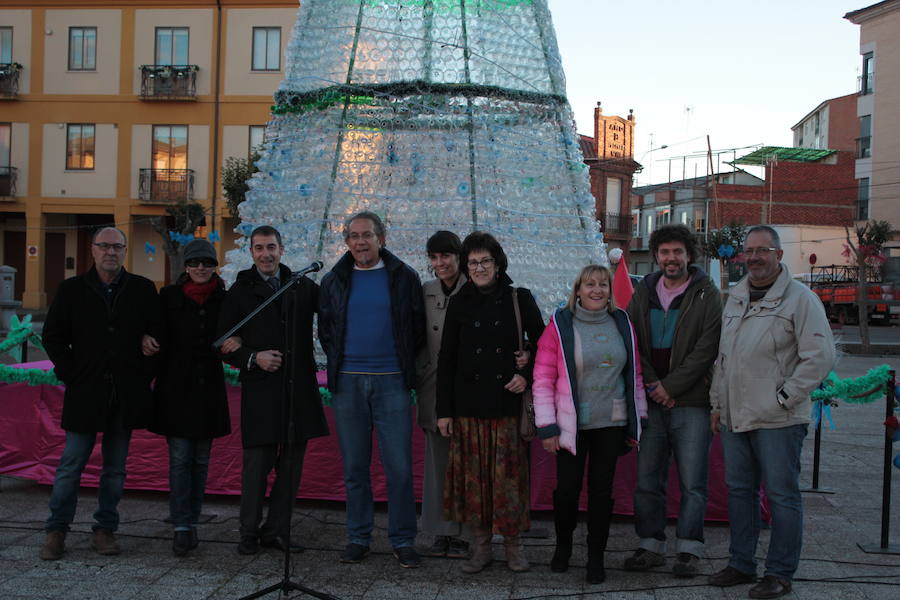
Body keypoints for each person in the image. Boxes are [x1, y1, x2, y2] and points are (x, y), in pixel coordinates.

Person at [708, 225, 834, 599]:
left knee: (781, 496)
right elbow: (724, 358)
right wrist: (717, 403)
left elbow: (820, 357)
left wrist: (785, 396)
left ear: (778, 255)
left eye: (763, 250)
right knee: (740, 493)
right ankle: (741, 563)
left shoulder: (801, 299)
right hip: (735, 416)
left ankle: (779, 573)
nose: (755, 257)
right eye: (750, 251)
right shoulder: (735, 297)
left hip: (778, 419)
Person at [39, 227, 159, 560]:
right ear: (92, 250)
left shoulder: (143, 289)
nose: (110, 252)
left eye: (117, 247)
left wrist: (143, 367)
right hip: (85, 392)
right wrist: (71, 374)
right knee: (71, 464)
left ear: (124, 251)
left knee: (115, 469)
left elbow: (157, 334)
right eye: (104, 246)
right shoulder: (71, 289)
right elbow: (53, 337)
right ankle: (56, 530)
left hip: (124, 394)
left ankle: (105, 529)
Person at [318, 211, 426, 568]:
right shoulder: (334, 280)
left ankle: (402, 539)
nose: (361, 242)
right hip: (348, 383)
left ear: (382, 238)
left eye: (367, 235)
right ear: (346, 241)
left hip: (392, 381)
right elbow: (327, 330)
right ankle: (358, 536)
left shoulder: (403, 278)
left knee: (399, 468)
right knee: (354, 468)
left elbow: (417, 329)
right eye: (354, 236)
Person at [436, 231, 544, 574]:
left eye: (485, 261)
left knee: (508, 480)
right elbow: (446, 360)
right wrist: (444, 411)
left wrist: (526, 370)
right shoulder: (459, 303)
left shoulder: (519, 298)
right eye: (473, 262)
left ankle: (514, 546)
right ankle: (480, 547)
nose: (479, 268)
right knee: (474, 480)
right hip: (468, 406)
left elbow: (546, 346)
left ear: (498, 264)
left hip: (506, 405)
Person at [218, 225, 329, 556]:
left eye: (271, 247)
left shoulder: (301, 286)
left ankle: (277, 530)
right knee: (256, 468)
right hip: (262, 393)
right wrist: (252, 357)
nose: (266, 254)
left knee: (291, 468)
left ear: (281, 249)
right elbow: (224, 340)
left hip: (298, 391)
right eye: (259, 248)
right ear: (251, 252)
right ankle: (248, 533)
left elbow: (332, 309)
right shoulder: (239, 292)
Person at [533, 265, 646, 584]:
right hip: (572, 426)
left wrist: (637, 423)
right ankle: (564, 547)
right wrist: (547, 426)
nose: (597, 290)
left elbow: (634, 374)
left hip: (611, 424)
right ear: (578, 290)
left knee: (601, 493)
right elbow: (542, 378)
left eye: (603, 284)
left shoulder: (622, 322)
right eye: (590, 284)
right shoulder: (561, 324)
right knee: (567, 492)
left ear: (610, 290)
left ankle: (596, 557)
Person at [624, 224, 722, 577]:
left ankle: (689, 549)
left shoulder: (706, 294)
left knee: (693, 482)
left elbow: (706, 349)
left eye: (677, 252)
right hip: (651, 400)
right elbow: (632, 339)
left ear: (689, 256)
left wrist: (672, 388)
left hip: (691, 402)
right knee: (647, 480)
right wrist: (653, 384)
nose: (671, 258)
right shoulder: (643, 292)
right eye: (664, 252)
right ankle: (649, 545)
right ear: (656, 256)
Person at [143, 239, 237, 556]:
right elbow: (153, 331)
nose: (200, 268)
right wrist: (146, 339)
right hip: (175, 390)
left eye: (206, 263)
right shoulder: (168, 297)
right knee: (181, 459)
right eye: (195, 262)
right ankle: (182, 525)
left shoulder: (225, 299)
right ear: (185, 267)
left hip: (208, 391)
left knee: (200, 461)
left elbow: (235, 334)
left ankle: (192, 520)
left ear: (214, 267)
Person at [416, 231, 470, 559]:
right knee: (437, 463)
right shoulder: (426, 292)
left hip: (467, 390)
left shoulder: (475, 288)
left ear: (458, 256)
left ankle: (464, 531)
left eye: (445, 256)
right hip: (432, 387)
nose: (440, 264)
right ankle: (440, 530)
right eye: (434, 258)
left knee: (467, 461)